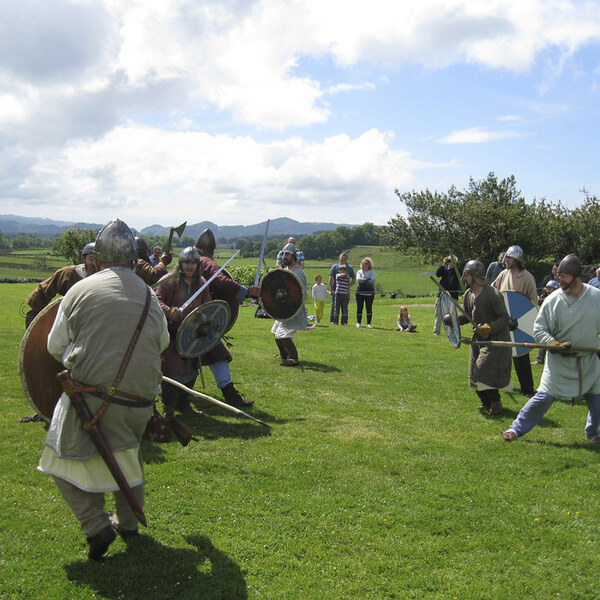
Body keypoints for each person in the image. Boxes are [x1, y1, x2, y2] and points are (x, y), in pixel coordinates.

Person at [38, 218, 170, 560]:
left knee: (58, 455)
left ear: (98, 257)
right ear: (132, 257)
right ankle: (127, 523)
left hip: (92, 399)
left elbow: (55, 347)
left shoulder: (80, 290)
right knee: (127, 453)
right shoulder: (149, 296)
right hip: (142, 401)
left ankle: (96, 525)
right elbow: (163, 342)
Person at [503, 254, 600, 443]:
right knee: (542, 399)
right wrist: (553, 344)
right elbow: (539, 328)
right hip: (558, 361)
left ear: (576, 276)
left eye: (564, 276)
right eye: (559, 276)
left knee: (597, 400)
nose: (559, 279)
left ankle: (594, 432)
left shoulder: (596, 298)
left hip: (588, 362)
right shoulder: (553, 300)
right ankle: (516, 429)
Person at [157, 245, 255, 409]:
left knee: (195, 366)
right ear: (180, 264)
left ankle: (186, 404)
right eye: (186, 263)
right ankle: (170, 407)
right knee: (173, 368)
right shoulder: (169, 281)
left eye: (193, 263)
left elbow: (207, 306)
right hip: (171, 333)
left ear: (198, 265)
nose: (189, 266)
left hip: (195, 332)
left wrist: (210, 320)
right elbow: (156, 299)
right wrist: (168, 310)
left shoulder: (201, 282)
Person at [446, 260, 512, 415]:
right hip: (478, 340)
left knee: (482, 371)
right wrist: (454, 320)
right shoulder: (468, 294)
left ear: (475, 276)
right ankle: (485, 401)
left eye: (466, 275)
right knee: (473, 373)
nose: (463, 279)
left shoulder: (492, 294)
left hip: (495, 339)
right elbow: (468, 316)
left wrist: (489, 327)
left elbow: (504, 318)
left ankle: (495, 402)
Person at [492, 245, 538, 396]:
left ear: (517, 260)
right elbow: (494, 291)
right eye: (506, 257)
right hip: (503, 320)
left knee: (521, 357)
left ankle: (528, 389)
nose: (506, 260)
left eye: (509, 258)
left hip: (520, 323)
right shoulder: (503, 274)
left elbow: (532, 303)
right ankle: (501, 384)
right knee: (502, 355)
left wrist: (522, 313)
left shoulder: (527, 277)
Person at [24, 242, 97, 328]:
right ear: (84, 258)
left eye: (97, 259)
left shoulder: (107, 277)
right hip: (69, 320)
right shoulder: (69, 274)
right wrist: (34, 312)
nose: (94, 263)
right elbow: (45, 289)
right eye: (91, 259)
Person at [271, 243, 308, 366]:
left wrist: (291, 305)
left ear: (294, 256)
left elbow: (302, 294)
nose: (284, 257)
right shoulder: (285, 271)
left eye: (287, 254)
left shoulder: (299, 273)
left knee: (282, 334)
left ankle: (293, 358)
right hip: (284, 308)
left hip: (293, 310)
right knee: (275, 331)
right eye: (283, 254)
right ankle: (284, 354)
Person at [531, 280, 559, 366]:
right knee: (544, 340)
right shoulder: (546, 298)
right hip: (547, 322)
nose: (548, 290)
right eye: (547, 288)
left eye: (550, 288)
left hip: (556, 323)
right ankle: (539, 360)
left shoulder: (559, 298)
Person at [433, 255, 461, 336]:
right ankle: (436, 331)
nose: (449, 262)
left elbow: (459, 277)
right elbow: (438, 274)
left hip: (452, 295)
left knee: (452, 315)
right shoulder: (444, 269)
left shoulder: (457, 270)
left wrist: (453, 267)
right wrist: (443, 264)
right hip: (441, 294)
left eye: (451, 260)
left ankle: (452, 332)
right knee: (438, 313)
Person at [329, 252, 355, 324]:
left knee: (345, 308)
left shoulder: (350, 268)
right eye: (341, 257)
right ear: (339, 258)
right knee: (334, 307)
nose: (343, 259)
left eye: (344, 257)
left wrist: (349, 286)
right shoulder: (335, 267)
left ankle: (344, 322)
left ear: (347, 259)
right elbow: (331, 278)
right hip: (336, 290)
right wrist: (331, 289)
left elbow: (354, 278)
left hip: (345, 291)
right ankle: (333, 321)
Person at [355, 257, 376, 328]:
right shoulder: (359, 272)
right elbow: (359, 279)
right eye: (364, 264)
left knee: (369, 308)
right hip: (360, 293)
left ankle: (369, 323)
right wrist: (367, 280)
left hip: (370, 293)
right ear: (362, 264)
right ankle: (358, 323)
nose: (366, 265)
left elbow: (373, 280)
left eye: (367, 264)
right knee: (359, 308)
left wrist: (364, 281)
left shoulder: (372, 272)